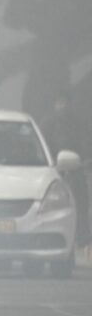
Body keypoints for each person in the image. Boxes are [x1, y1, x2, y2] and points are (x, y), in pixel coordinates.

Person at [41, 90, 91, 247]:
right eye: (59, 102)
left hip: (75, 170)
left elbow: (85, 144)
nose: (62, 106)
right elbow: (43, 148)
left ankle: (82, 238)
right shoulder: (47, 123)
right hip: (54, 172)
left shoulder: (77, 123)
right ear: (54, 104)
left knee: (81, 203)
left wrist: (84, 160)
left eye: (64, 102)